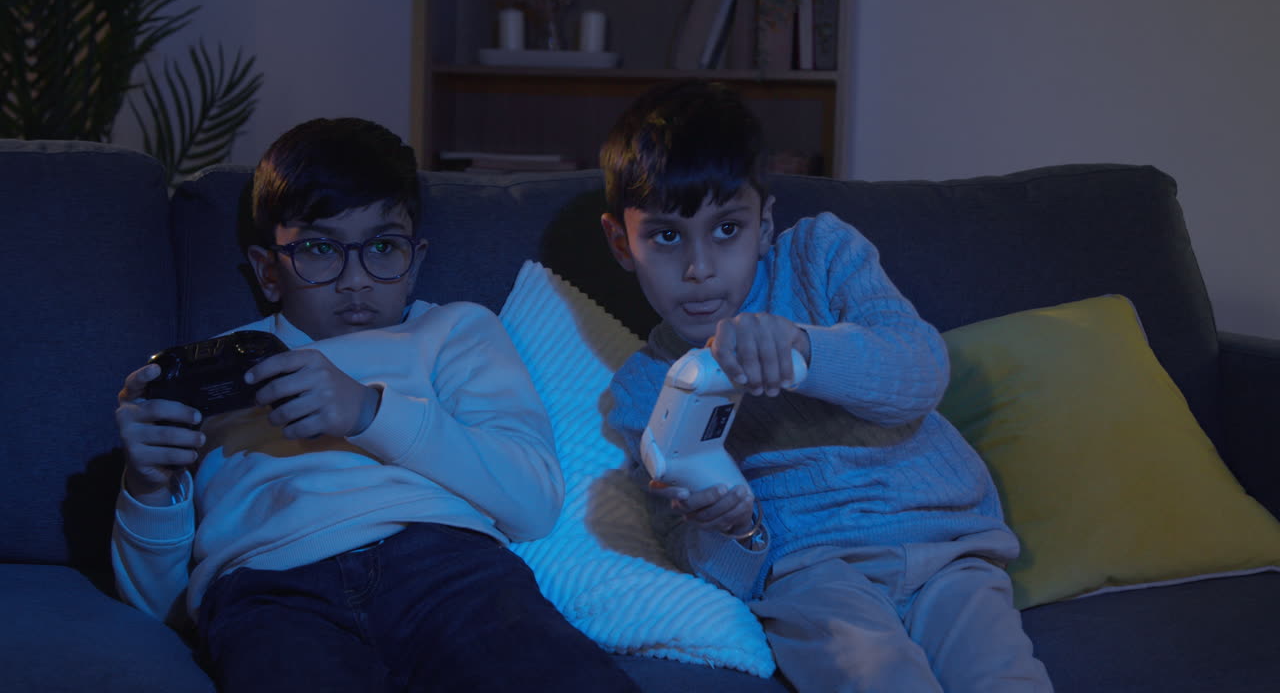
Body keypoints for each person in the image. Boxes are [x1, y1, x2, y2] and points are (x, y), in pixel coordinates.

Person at [112, 117, 640, 693]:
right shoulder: (217, 371)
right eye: (319, 249)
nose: (356, 280)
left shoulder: (453, 330)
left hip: (445, 566)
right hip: (269, 588)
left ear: (414, 263)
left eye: (383, 248)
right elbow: (162, 605)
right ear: (268, 271)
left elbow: (532, 500)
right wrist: (148, 488)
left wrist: (369, 413)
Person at [598, 81, 1053, 692]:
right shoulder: (644, 390)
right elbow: (703, 560)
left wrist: (802, 350)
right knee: (878, 678)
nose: (700, 268)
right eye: (667, 236)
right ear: (621, 242)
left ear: (764, 226)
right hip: (810, 570)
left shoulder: (820, 255)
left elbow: (919, 373)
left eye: (727, 229)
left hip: (946, 546)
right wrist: (735, 528)